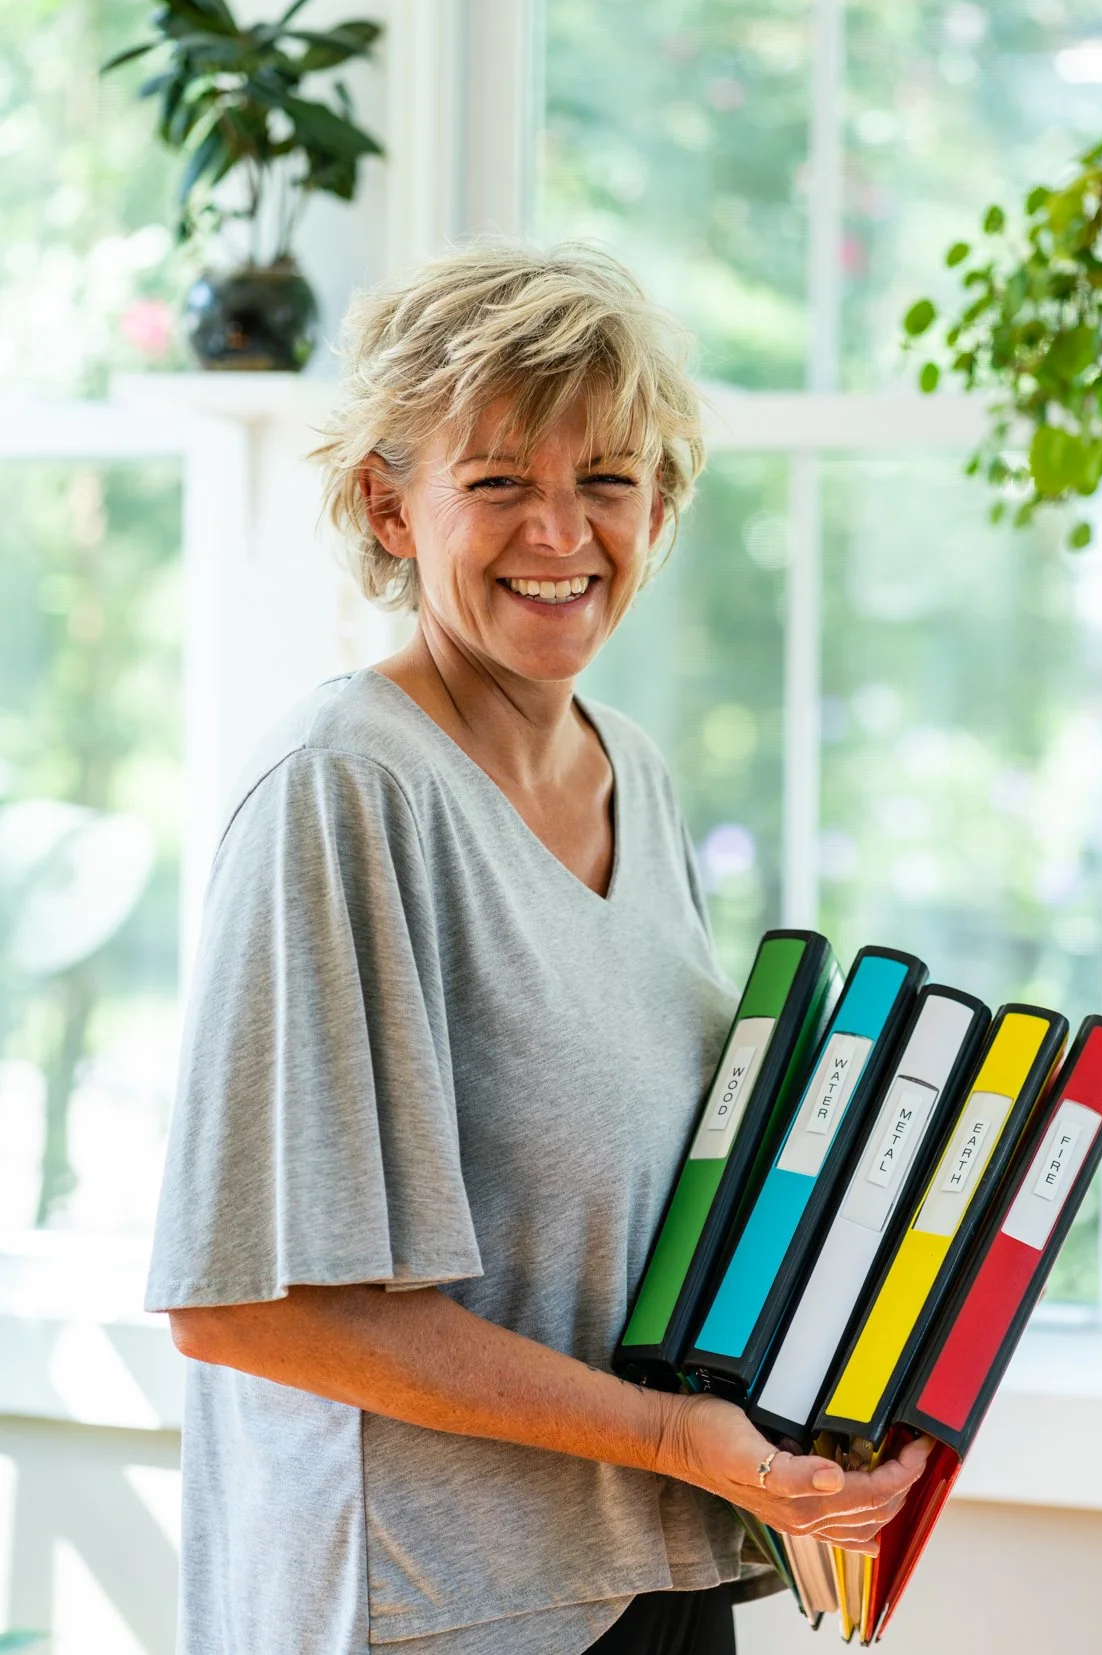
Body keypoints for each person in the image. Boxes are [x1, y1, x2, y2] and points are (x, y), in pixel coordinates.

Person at [147, 244, 928, 1655]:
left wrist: (829, 1407)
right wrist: (676, 1437)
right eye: (499, 480)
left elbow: (636, 1215)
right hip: (440, 1611)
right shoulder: (347, 787)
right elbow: (247, 1307)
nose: (560, 532)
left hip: (655, 1571)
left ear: (662, 506)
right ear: (390, 503)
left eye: (609, 481)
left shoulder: (628, 764)